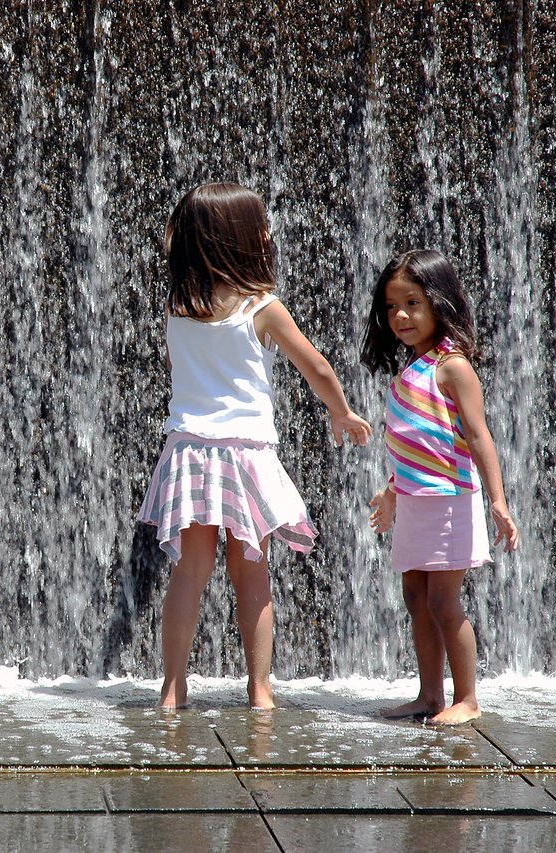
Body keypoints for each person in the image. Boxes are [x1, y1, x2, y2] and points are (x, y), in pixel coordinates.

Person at [137, 183, 372, 710]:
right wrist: (341, 411)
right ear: (243, 239)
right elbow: (315, 366)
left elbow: (178, 370)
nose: (269, 232)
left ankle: (172, 690)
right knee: (252, 573)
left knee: (189, 572)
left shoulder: (179, 305)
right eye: (261, 225)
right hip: (245, 452)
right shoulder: (262, 307)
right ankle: (260, 689)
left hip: (190, 450)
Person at [360, 249, 520, 725]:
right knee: (415, 597)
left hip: (450, 500)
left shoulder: (452, 367)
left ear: (439, 302)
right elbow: (414, 441)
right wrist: (391, 491)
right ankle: (430, 696)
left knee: (442, 601)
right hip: (414, 501)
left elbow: (477, 436)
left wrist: (498, 501)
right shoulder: (412, 368)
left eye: (412, 303)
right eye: (391, 307)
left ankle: (467, 699)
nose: (400, 316)